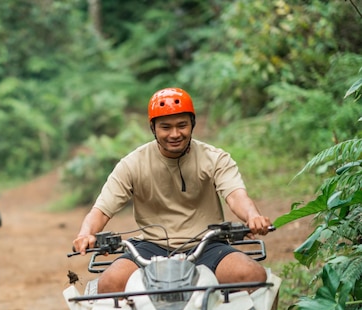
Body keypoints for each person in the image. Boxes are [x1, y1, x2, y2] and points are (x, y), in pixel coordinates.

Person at [72, 87, 272, 294]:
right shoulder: (132, 164)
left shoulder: (214, 158)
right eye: (166, 127)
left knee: (251, 276)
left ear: (192, 124)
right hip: (150, 246)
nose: (175, 134)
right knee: (110, 284)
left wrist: (252, 216)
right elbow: (102, 210)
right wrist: (86, 233)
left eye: (182, 125)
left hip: (207, 244)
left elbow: (236, 196)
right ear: (153, 128)